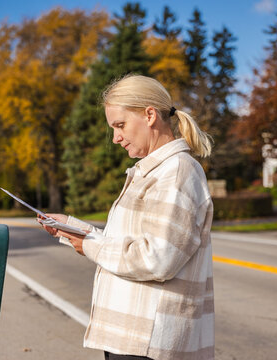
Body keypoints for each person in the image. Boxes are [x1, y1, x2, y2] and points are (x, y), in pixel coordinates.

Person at [39, 74, 214, 360]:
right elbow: (132, 242)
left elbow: (157, 258)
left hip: (149, 343)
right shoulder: (152, 171)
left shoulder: (178, 172)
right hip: (133, 337)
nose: (115, 137)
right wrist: (74, 230)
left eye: (120, 125)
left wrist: (92, 247)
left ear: (149, 115)